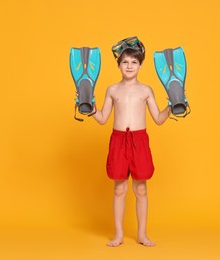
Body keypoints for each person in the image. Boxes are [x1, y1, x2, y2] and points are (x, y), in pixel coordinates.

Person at [91, 36, 170, 247]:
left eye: (134, 62)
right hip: (118, 141)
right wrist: (89, 108)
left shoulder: (146, 90)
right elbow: (101, 119)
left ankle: (142, 235)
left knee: (141, 189)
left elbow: (159, 119)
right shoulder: (112, 90)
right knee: (119, 189)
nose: (129, 65)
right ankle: (118, 235)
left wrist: (173, 104)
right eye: (125, 61)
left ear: (141, 65)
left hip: (139, 141)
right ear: (118, 64)